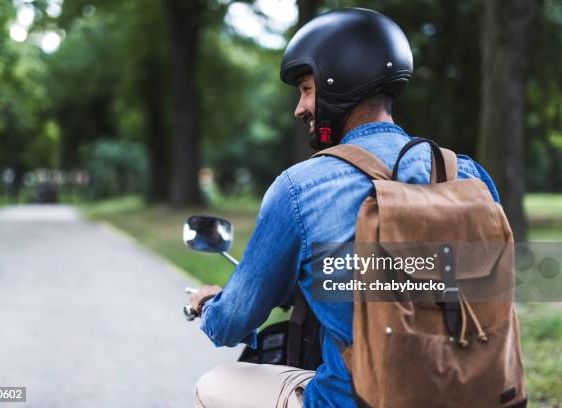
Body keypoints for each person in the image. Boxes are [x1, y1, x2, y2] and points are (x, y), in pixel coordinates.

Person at [191, 8, 500, 408]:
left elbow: (232, 322)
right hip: (472, 391)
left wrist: (208, 305)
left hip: (357, 401)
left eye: (306, 88)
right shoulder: (467, 174)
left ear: (340, 81)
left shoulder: (301, 189)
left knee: (213, 383)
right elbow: (492, 286)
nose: (300, 108)